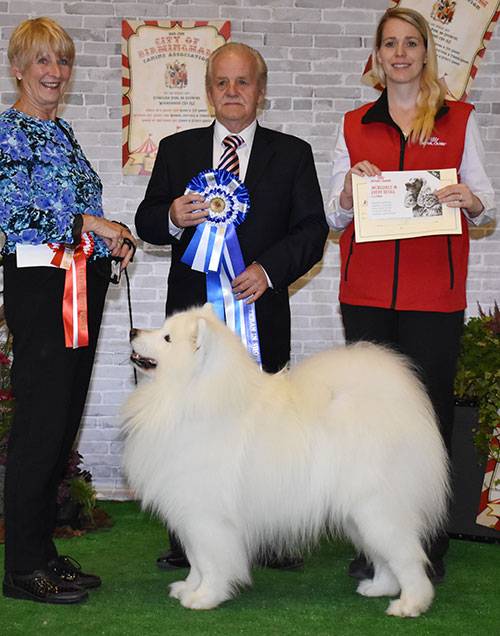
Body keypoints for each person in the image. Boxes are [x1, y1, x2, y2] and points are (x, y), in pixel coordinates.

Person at [135, 42, 328, 570]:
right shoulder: (176, 150)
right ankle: (190, 540)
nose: (232, 92)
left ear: (261, 91)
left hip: (260, 312)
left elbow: (313, 230)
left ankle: (266, 536)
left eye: (243, 82)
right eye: (222, 82)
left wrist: (268, 270)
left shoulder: (292, 153)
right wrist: (172, 215)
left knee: (265, 429)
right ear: (208, 92)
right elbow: (146, 222)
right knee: (189, 425)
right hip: (192, 327)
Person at [326, 7, 495, 583]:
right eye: (389, 44)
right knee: (368, 421)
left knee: (429, 419)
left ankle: (426, 543)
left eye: (410, 43)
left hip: (434, 295)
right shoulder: (353, 123)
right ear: (376, 56)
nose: (400, 53)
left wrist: (468, 199)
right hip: (367, 292)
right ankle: (373, 543)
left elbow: (487, 204)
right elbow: (331, 214)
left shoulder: (460, 118)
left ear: (426, 52)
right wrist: (350, 189)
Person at [1, 18, 136, 604]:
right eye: (42, 63)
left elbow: (83, 208)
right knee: (38, 424)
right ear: (18, 69)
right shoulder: (6, 134)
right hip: (39, 291)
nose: (54, 73)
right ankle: (22, 565)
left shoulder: (64, 134)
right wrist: (89, 223)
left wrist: (112, 237)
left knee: (61, 425)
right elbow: (12, 219)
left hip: (79, 285)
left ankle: (44, 552)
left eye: (62, 62)